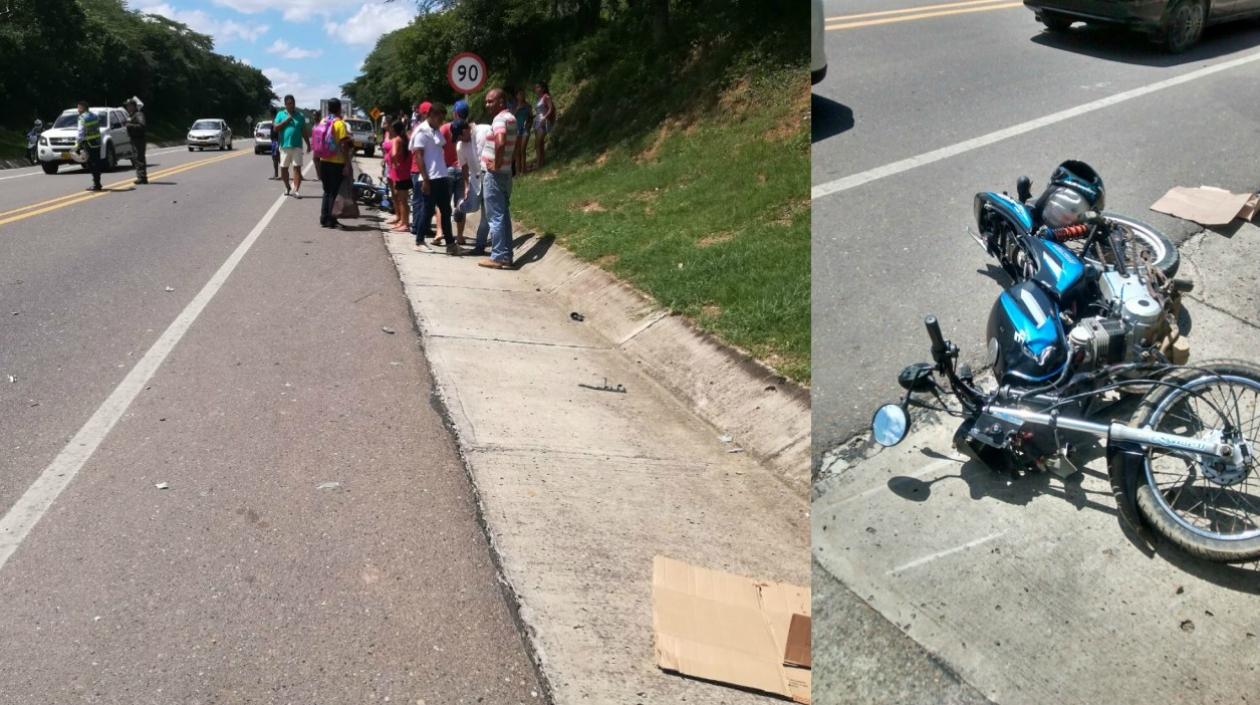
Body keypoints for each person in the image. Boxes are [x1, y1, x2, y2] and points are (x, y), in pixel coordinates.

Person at [478, 89, 517, 269]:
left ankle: (499, 256)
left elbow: (500, 141)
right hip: (506, 173)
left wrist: (497, 163)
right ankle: (507, 255)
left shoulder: (499, 119)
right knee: (503, 215)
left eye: (490, 101)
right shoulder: (511, 118)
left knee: (495, 216)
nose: (487, 105)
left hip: (494, 175)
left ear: (501, 101)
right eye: (486, 102)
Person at [415, 103, 457, 255]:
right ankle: (419, 241)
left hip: (441, 176)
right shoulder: (422, 131)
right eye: (439, 116)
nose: (442, 120)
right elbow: (418, 156)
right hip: (430, 178)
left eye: (443, 117)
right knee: (427, 211)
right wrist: (425, 180)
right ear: (431, 115)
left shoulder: (436, 130)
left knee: (446, 211)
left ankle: (451, 244)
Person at [316, 98, 353, 229]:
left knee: (326, 191)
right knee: (334, 192)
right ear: (339, 108)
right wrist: (347, 164)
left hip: (324, 160)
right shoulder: (340, 124)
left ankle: (323, 217)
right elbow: (344, 145)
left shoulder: (323, 121)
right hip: (336, 162)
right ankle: (331, 219)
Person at [438, 100, 471, 246]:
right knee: (460, 203)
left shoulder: (445, 128)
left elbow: (437, 147)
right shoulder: (468, 129)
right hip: (463, 170)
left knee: (442, 203)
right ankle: (459, 236)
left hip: (448, 169)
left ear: (455, 113)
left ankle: (439, 232)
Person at [274, 94, 311, 198]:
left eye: (293, 103)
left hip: (297, 146)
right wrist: (286, 120)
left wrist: (308, 144)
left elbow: (304, 132)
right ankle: (287, 187)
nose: (292, 105)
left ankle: (296, 190)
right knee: (283, 169)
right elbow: (275, 128)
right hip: (284, 146)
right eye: (289, 103)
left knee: (297, 168)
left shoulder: (300, 116)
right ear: (285, 104)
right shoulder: (280, 114)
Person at [407, 101, 431, 243]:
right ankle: (417, 226)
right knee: (419, 200)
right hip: (418, 169)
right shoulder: (421, 129)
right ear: (423, 113)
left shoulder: (421, 127)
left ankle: (421, 226)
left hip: (422, 169)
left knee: (424, 201)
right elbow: (416, 152)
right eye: (428, 112)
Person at [385, 121, 411, 233]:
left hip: (399, 173)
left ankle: (404, 223)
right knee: (404, 199)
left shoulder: (397, 140)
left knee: (402, 200)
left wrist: (395, 163)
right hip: (406, 172)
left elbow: (394, 153)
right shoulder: (406, 139)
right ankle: (403, 221)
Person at [76, 101, 104, 192]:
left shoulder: (82, 118)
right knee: (96, 162)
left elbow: (81, 132)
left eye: (79, 107)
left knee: (91, 164)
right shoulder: (94, 116)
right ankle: (97, 183)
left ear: (83, 108)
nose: (78, 110)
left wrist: (77, 145)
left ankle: (96, 184)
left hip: (88, 143)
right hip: (97, 142)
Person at [124, 98, 147, 185]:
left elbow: (142, 125)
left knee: (139, 158)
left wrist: (129, 125)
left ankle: (142, 178)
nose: (127, 107)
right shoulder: (131, 115)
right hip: (134, 139)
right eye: (127, 106)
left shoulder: (139, 114)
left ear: (133, 106)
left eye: (128, 105)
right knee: (136, 158)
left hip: (139, 139)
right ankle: (140, 177)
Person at [532, 81, 555, 171]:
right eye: (536, 87)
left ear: (543, 88)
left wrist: (545, 118)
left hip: (543, 121)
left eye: (538, 87)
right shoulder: (539, 98)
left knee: (539, 142)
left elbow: (551, 108)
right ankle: (541, 162)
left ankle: (539, 163)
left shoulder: (546, 97)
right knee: (539, 143)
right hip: (537, 121)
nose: (536, 89)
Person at [513, 88, 532, 176]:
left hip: (525, 129)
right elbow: (511, 117)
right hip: (517, 129)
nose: (521, 96)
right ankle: (517, 171)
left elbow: (531, 117)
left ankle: (524, 170)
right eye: (519, 94)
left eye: (522, 94)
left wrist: (529, 125)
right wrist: (517, 109)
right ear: (517, 96)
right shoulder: (514, 106)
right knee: (517, 151)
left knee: (523, 149)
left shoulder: (528, 106)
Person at [269, 109, 282, 180]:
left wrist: (278, 143)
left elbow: (279, 132)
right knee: (274, 158)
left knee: (278, 158)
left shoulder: (276, 120)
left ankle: (282, 174)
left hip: (276, 141)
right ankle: (276, 174)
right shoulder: (273, 120)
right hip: (274, 141)